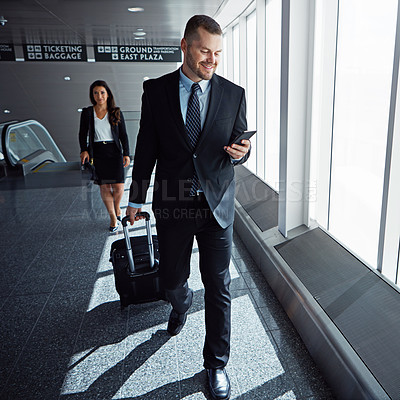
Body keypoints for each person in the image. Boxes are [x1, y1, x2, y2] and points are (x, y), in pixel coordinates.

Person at [126, 15, 250, 400]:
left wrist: (242, 152)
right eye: (204, 51)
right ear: (184, 46)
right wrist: (135, 197)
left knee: (219, 285)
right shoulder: (156, 90)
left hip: (216, 203)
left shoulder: (234, 93)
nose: (211, 60)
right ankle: (180, 302)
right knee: (171, 281)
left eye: (217, 53)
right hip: (174, 202)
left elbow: (239, 145)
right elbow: (146, 146)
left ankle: (216, 364)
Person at [79, 80, 130, 232]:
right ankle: (113, 218)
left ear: (108, 94)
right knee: (104, 186)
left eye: (102, 92)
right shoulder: (88, 113)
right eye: (95, 93)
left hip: (114, 152)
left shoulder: (116, 112)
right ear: (92, 95)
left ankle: (117, 208)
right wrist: (84, 150)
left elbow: (123, 135)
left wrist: (126, 153)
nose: (99, 96)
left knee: (119, 186)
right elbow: (82, 134)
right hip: (98, 152)